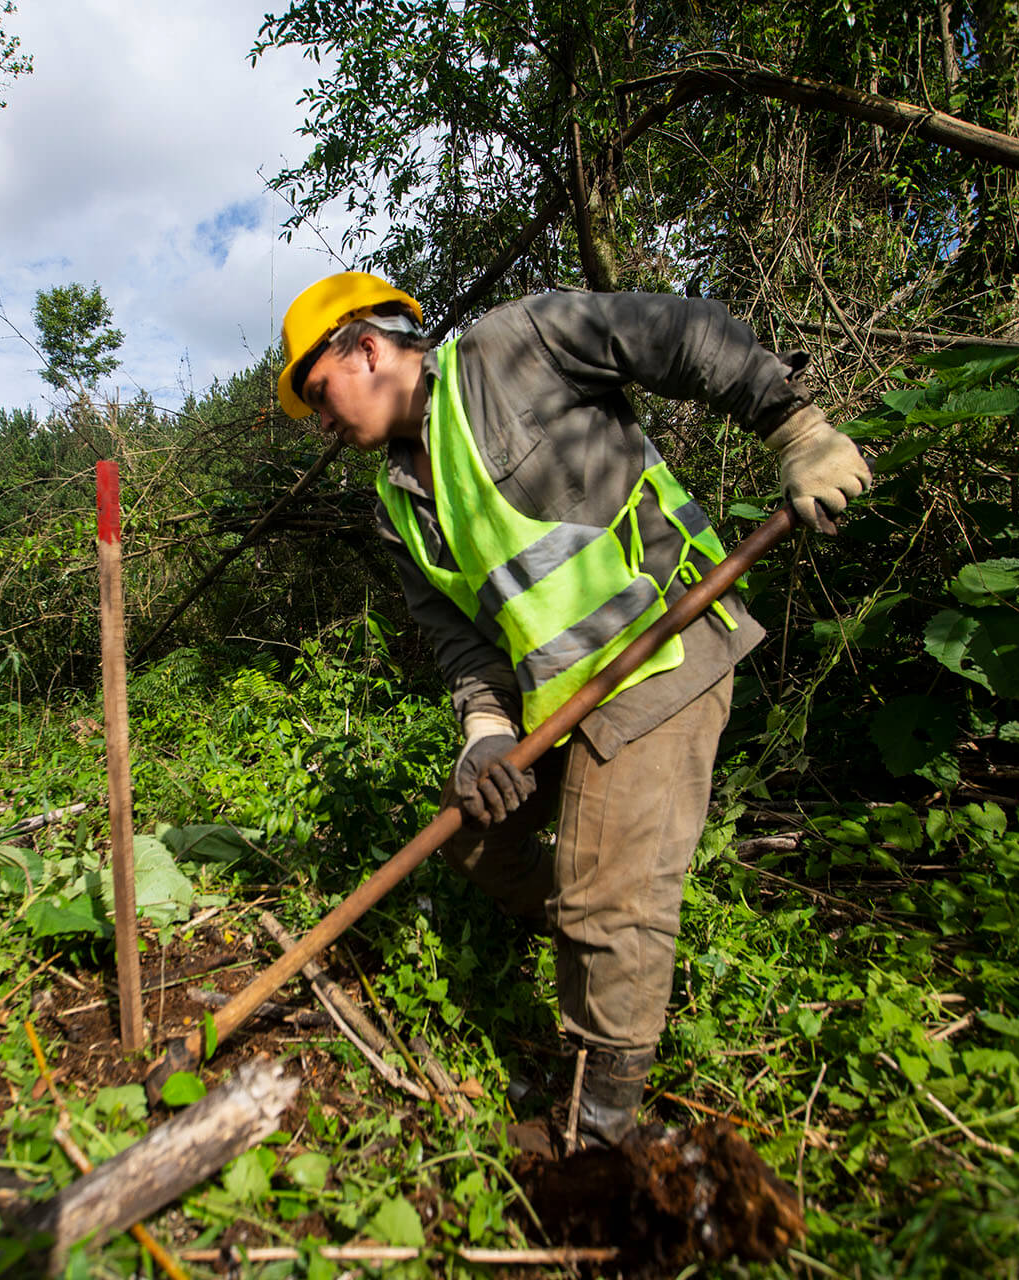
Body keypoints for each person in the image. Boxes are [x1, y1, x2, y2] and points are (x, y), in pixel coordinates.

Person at [275, 273, 871, 1147]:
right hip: (561, 695)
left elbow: (681, 333)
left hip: (663, 649)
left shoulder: (515, 345)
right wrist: (486, 734)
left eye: (316, 393)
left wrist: (799, 430)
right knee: (478, 837)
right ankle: (615, 943)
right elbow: (464, 641)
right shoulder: (398, 505)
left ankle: (595, 1137)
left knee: (606, 901)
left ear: (366, 348)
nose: (319, 423)